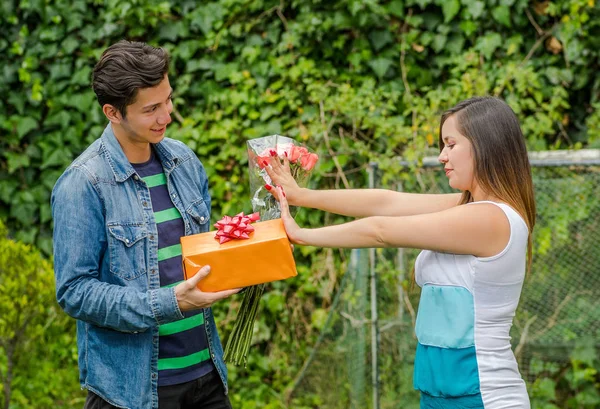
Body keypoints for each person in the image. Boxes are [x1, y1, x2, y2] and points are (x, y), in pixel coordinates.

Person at [265, 96, 535, 408]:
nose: (441, 156)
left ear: (486, 145)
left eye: (451, 144)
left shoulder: (492, 219)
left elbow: (382, 230)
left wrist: (303, 235)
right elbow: (387, 203)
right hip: (439, 395)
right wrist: (302, 196)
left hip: (484, 397)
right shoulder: (470, 206)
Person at [51, 40, 240, 409]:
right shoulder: (83, 183)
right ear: (113, 112)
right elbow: (75, 291)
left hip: (206, 376)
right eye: (151, 109)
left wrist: (254, 250)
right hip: (134, 392)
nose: (166, 116)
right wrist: (167, 303)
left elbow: (202, 254)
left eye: (168, 100)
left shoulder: (185, 161)